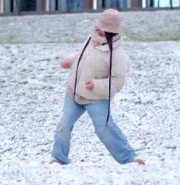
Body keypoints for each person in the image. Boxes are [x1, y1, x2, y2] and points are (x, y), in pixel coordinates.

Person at [50, 9, 144, 165]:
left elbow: (117, 82)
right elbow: (83, 56)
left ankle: (129, 158)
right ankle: (59, 158)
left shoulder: (118, 55)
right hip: (74, 91)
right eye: (99, 25)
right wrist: (70, 61)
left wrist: (95, 85)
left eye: (103, 28)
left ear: (111, 31)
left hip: (96, 97)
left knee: (104, 127)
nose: (98, 29)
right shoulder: (90, 38)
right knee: (64, 124)